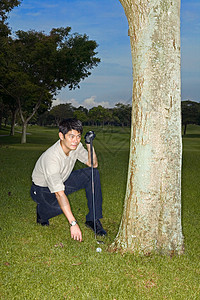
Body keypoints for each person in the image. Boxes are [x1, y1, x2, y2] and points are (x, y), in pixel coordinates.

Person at [30, 118, 106, 242]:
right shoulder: (51, 158)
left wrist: (89, 144)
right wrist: (73, 223)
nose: (75, 141)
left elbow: (93, 164)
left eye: (78, 136)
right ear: (61, 136)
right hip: (42, 190)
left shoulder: (75, 146)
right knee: (62, 206)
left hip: (62, 180)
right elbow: (60, 194)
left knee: (92, 174)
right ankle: (42, 212)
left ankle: (93, 219)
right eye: (71, 136)